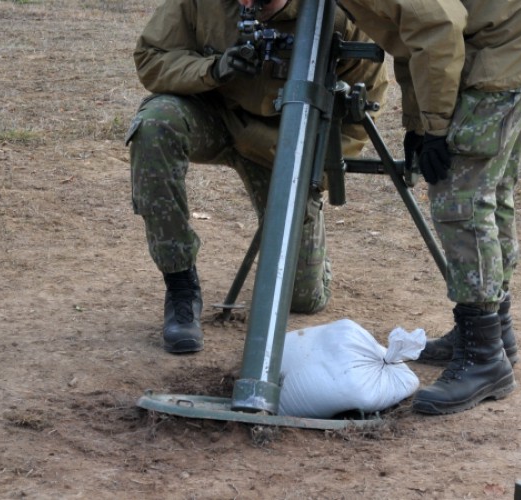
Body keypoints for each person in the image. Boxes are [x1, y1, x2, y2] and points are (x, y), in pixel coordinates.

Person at [336, 0, 521, 414]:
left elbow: (436, 27)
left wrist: (435, 128)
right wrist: (419, 123)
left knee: (460, 196)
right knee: (489, 188)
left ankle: (484, 359)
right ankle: (492, 332)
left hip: (509, 38)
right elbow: (412, 38)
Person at [126, 0, 388, 354]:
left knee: (303, 298)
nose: (247, 5)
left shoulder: (338, 13)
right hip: (214, 115)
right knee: (155, 125)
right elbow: (151, 57)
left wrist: (312, 171)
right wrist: (213, 69)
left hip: (282, 142)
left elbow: (362, 107)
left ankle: (307, 249)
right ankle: (180, 286)